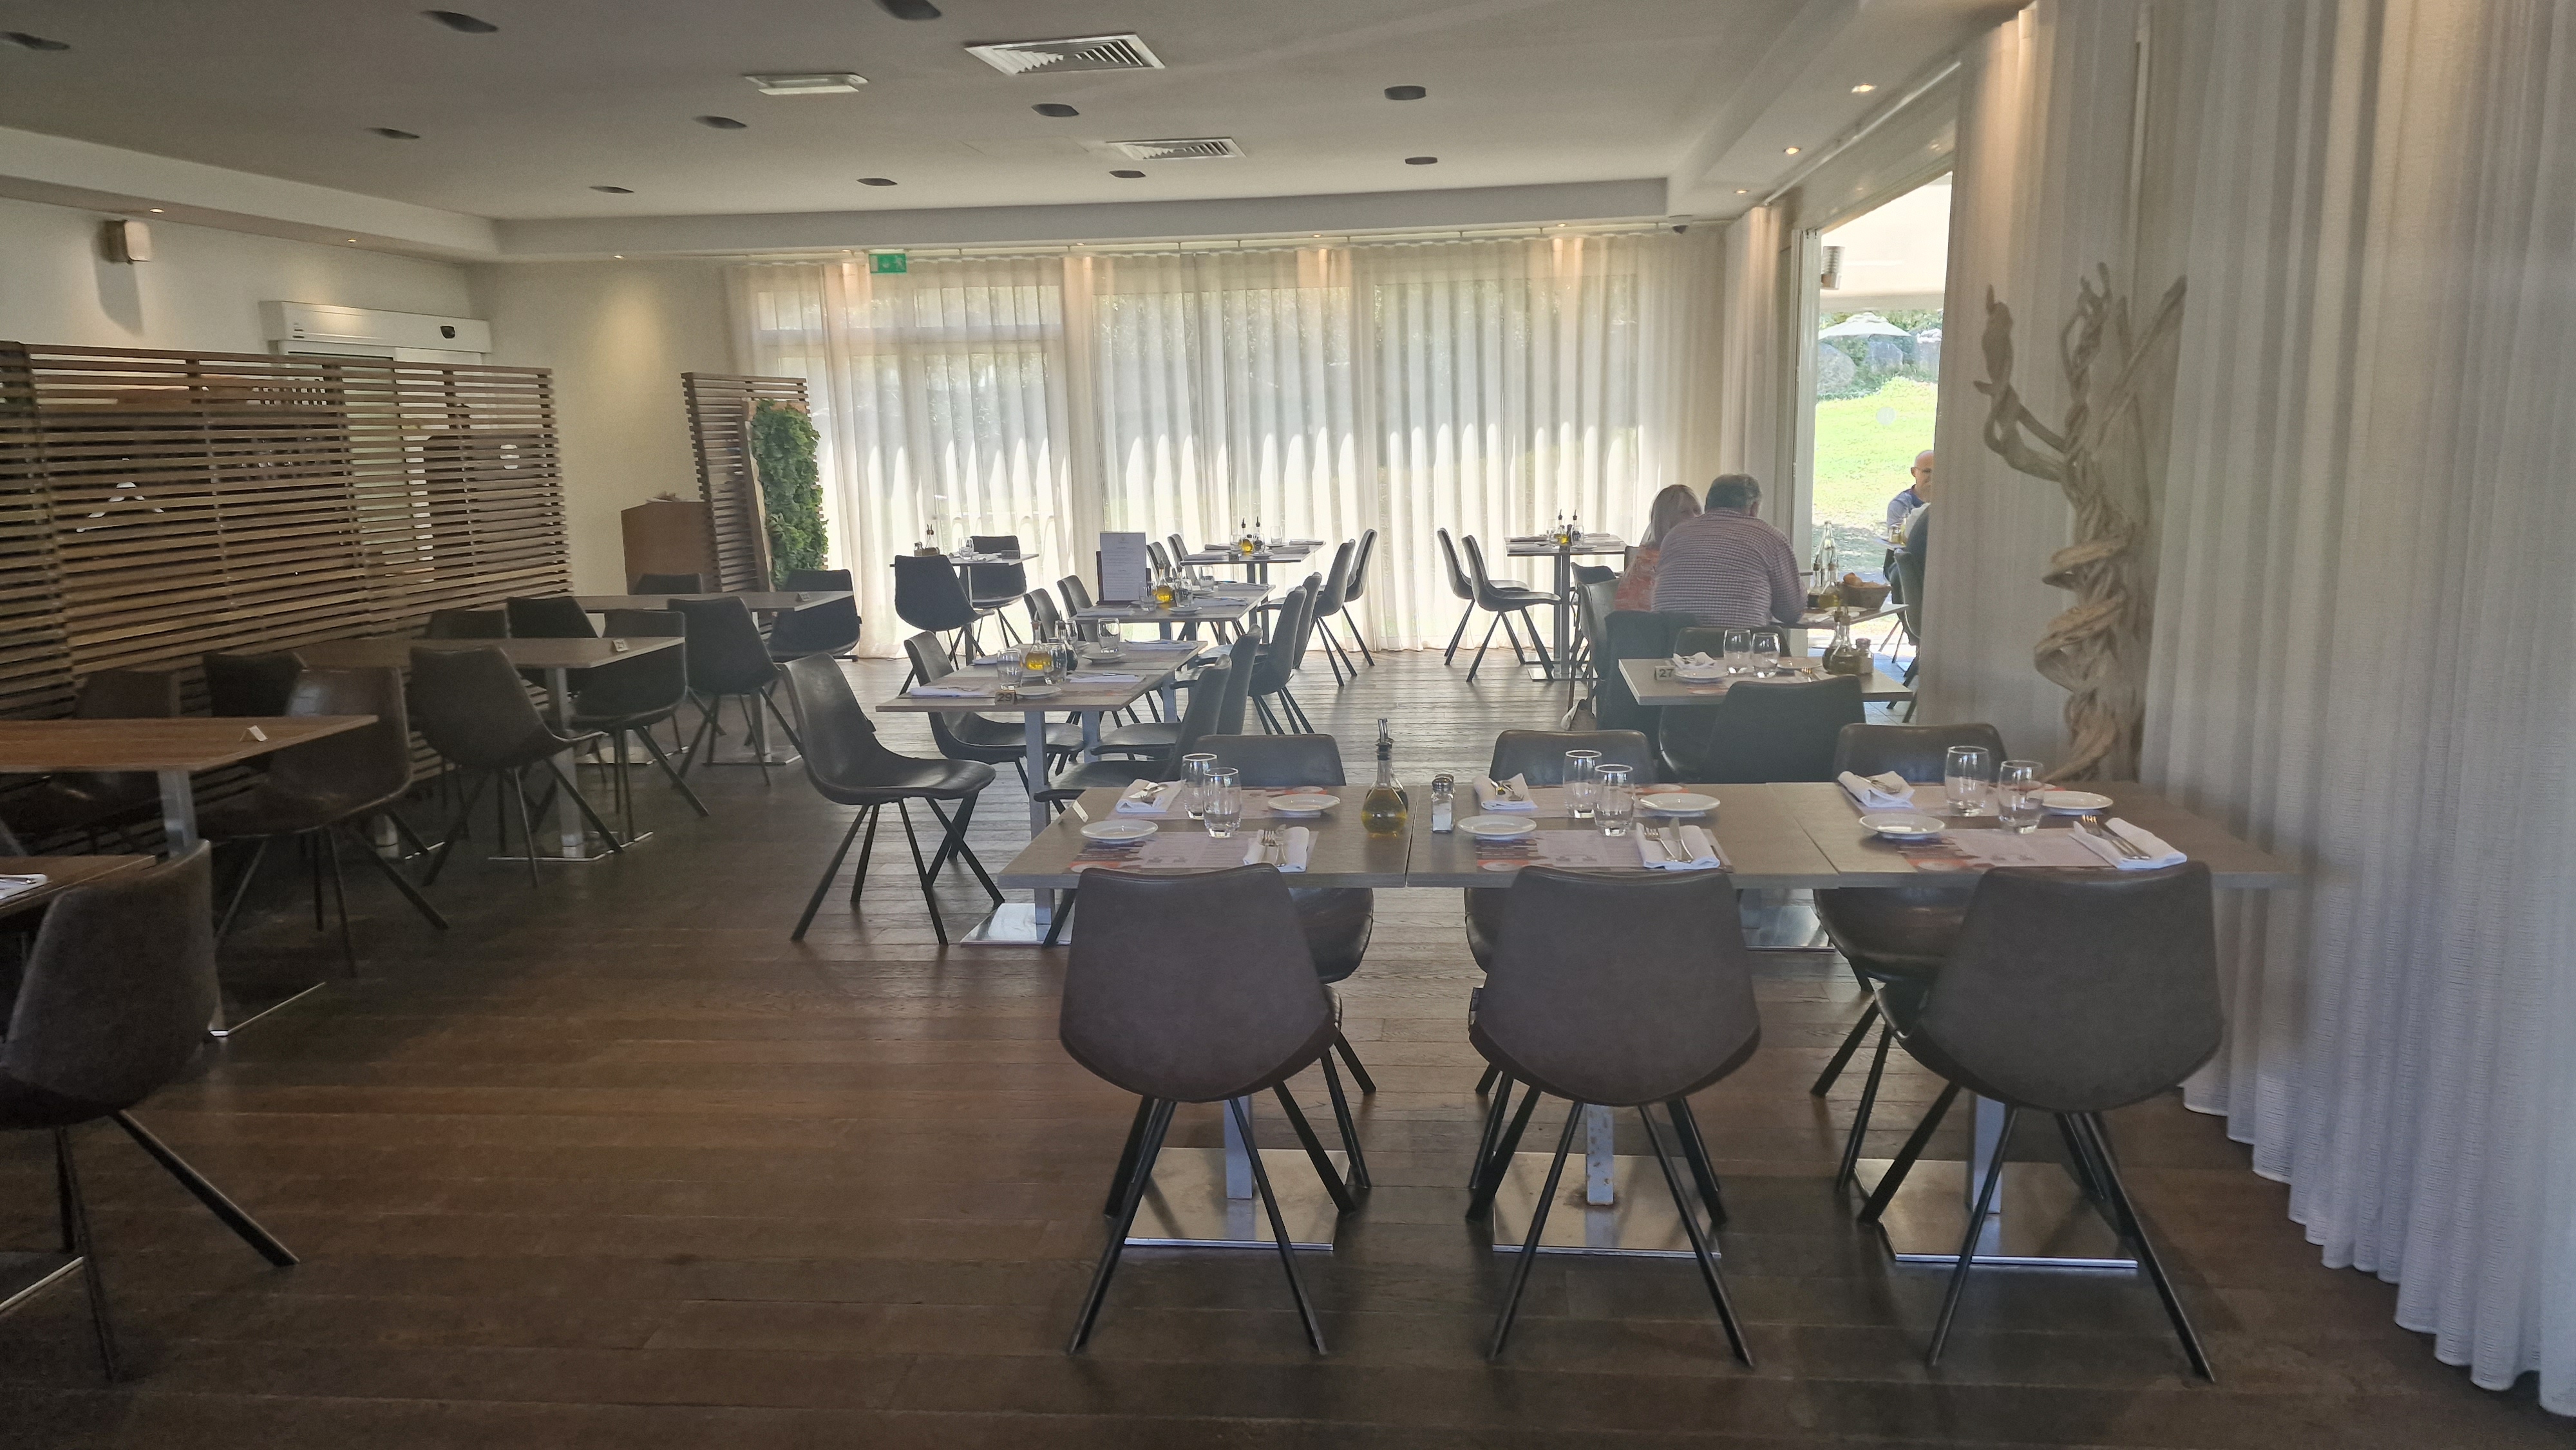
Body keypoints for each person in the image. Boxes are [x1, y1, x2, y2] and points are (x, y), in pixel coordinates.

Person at [1648, 474, 1803, 628]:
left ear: (1709, 504)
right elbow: (1791, 612)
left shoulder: (1674, 536)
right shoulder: (1769, 536)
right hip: (1736, 641)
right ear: (1754, 508)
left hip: (1673, 640)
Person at [1613, 484, 1703, 611]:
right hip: (1648, 622)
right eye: (1684, 512)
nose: (1694, 517)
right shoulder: (1654, 561)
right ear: (1665, 520)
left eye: (1697, 511)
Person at [1885, 449, 1933, 534]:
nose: (1933, 476)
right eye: (1927, 471)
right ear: (1914, 472)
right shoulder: (1901, 505)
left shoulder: (1949, 501)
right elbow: (1896, 538)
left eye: (1938, 471)